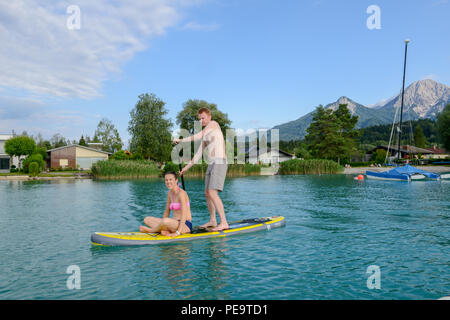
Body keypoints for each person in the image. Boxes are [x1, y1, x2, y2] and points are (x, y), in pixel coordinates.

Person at [173, 107, 229, 231]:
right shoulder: (205, 136)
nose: (201, 121)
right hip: (211, 163)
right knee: (207, 193)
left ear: (209, 117)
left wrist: (181, 140)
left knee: (213, 193)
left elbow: (199, 135)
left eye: (203, 118)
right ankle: (213, 220)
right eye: (199, 119)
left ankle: (224, 222)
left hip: (220, 162)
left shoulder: (214, 124)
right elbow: (197, 156)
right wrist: (185, 169)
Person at [139, 171, 192, 237]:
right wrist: (163, 225)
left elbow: (184, 215)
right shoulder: (169, 193)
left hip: (184, 225)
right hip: (173, 223)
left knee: (165, 221)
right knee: (147, 219)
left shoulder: (181, 194)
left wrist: (178, 232)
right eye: (166, 180)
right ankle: (164, 230)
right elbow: (167, 211)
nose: (168, 182)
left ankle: (151, 230)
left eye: (170, 179)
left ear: (176, 180)